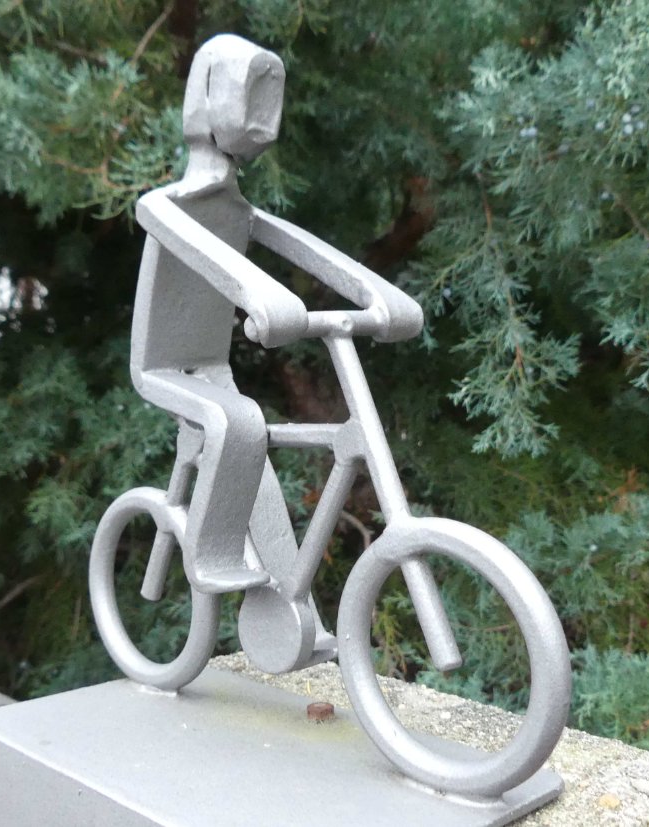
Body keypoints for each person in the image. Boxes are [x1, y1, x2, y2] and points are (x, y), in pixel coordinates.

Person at [131, 34, 422, 595]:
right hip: (162, 368)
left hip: (214, 368)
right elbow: (203, 250)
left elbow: (302, 246)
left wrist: (378, 293)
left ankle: (287, 605)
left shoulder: (237, 209)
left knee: (246, 425)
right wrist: (260, 295)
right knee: (237, 421)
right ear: (207, 103)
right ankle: (212, 558)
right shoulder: (162, 205)